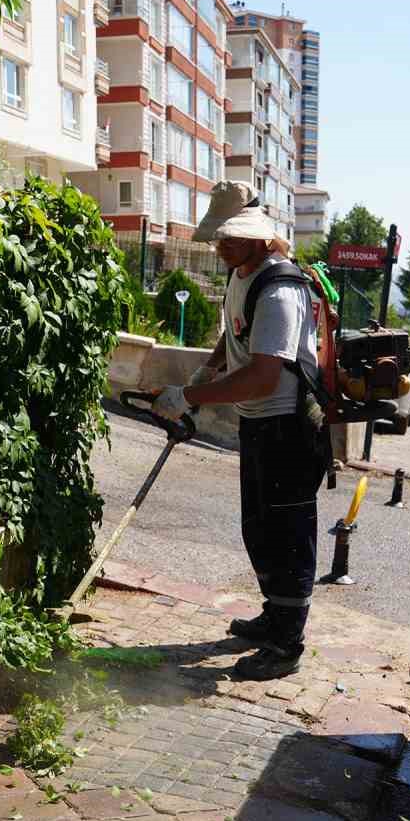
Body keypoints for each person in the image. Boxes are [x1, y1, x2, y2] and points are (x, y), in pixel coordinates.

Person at [150, 182, 323, 681]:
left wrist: (190, 398)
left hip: (288, 426)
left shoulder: (283, 289)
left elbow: (264, 374)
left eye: (228, 239)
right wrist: (206, 372)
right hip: (257, 420)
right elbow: (234, 333)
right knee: (260, 527)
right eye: (218, 239)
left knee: (288, 534)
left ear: (258, 238)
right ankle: (275, 614)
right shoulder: (242, 276)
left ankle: (287, 645)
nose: (219, 247)